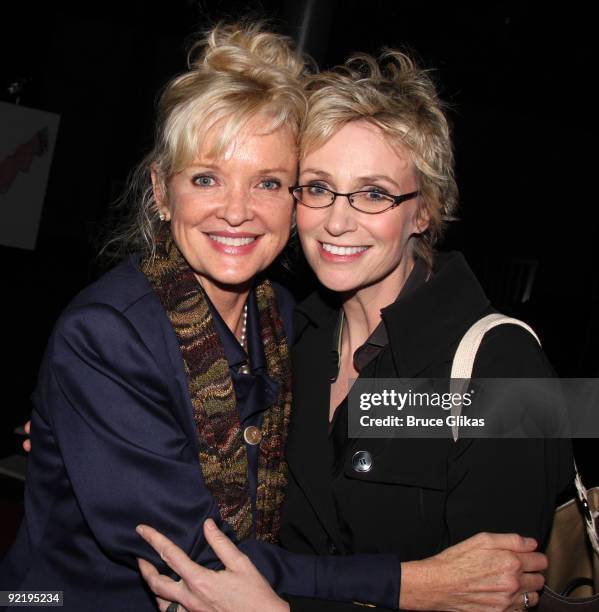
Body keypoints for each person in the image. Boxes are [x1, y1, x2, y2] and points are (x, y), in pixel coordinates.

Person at [135, 49, 572, 611]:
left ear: (424, 212)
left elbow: (498, 594)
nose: (337, 221)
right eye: (317, 187)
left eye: (374, 193)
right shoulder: (289, 335)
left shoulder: (499, 366)